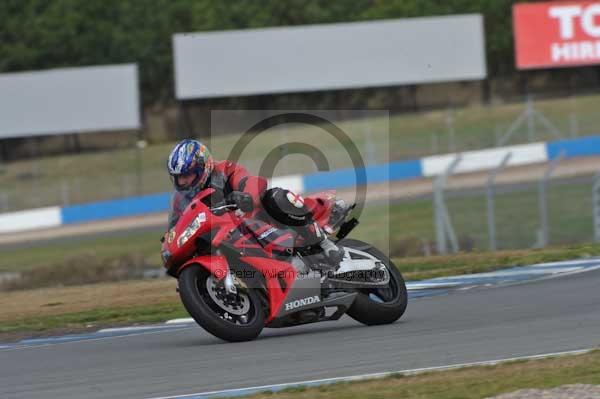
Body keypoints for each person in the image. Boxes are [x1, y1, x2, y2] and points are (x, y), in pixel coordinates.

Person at [166, 139, 345, 267]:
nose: (182, 182)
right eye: (178, 177)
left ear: (202, 168)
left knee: (274, 197)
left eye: (186, 175)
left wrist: (246, 197)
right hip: (226, 237)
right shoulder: (179, 201)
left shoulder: (224, 170)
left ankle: (324, 244)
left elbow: (251, 181)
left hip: (254, 220)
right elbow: (176, 228)